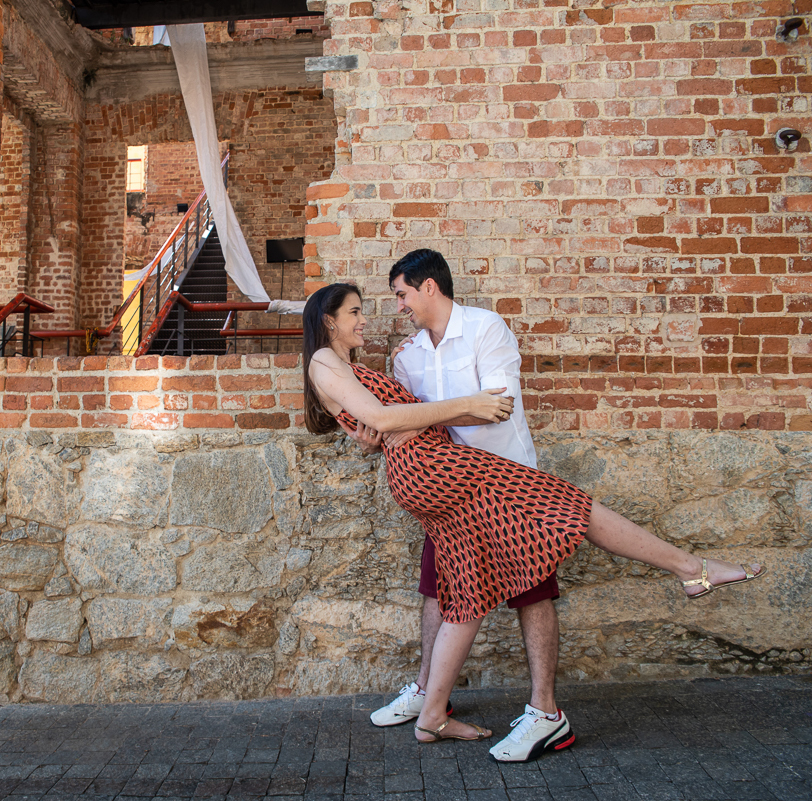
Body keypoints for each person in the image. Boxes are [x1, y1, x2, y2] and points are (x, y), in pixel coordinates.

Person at [303, 282, 765, 747]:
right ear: (329, 320)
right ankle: (692, 569)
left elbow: (380, 420)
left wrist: (385, 427)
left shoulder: (347, 364)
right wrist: (468, 405)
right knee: (569, 505)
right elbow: (383, 419)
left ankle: (431, 716)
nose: (366, 319)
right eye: (355, 312)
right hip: (437, 469)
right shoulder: (324, 362)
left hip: (422, 472)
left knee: (466, 591)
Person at [354, 249, 568, 762]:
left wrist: (421, 422)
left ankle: (546, 713)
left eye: (402, 294)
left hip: (510, 489)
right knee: (436, 590)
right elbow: (401, 427)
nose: (398, 306)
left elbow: (497, 405)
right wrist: (378, 436)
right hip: (449, 498)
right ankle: (431, 695)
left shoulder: (485, 329)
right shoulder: (406, 358)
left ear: (429, 287)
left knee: (532, 595)